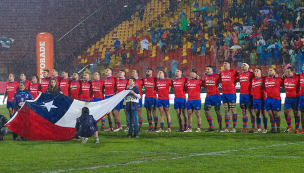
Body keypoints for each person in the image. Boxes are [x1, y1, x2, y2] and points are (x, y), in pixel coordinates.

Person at [220, 61, 239, 133]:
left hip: (232, 93)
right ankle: (227, 128)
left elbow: (240, 76)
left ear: (229, 65)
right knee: (226, 110)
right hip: (224, 94)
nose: (224, 65)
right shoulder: (221, 72)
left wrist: (235, 81)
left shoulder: (234, 71)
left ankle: (234, 128)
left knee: (233, 110)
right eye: (224, 64)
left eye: (226, 64)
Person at [203, 65, 222, 132]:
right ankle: (211, 127)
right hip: (208, 96)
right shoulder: (205, 76)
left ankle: (220, 128)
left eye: (208, 69)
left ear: (212, 70)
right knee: (206, 111)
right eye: (206, 69)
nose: (207, 70)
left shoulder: (216, 76)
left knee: (217, 111)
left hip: (216, 96)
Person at [264, 68, 283, 133]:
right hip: (268, 99)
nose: (269, 71)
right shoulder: (266, 79)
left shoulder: (279, 79)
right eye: (269, 70)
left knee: (276, 114)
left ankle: (278, 128)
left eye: (271, 70)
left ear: (275, 72)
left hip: (276, 99)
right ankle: (273, 128)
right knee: (270, 114)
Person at [283, 67, 300, 134]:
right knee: (286, 113)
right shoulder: (285, 78)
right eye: (286, 72)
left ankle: (296, 129)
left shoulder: (297, 77)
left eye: (289, 72)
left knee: (296, 114)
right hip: (287, 98)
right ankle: (290, 127)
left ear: (293, 71)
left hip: (296, 98)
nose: (287, 73)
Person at [238, 63, 255, 132]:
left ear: (248, 67)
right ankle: (244, 128)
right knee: (243, 111)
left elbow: (257, 78)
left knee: (250, 111)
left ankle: (253, 128)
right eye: (242, 66)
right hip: (242, 95)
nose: (243, 66)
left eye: (244, 66)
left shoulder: (251, 74)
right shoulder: (240, 74)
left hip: (249, 94)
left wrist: (253, 72)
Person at [251, 68, 268, 133]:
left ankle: (265, 128)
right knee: (257, 113)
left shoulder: (263, 79)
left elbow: (270, 76)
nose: (256, 72)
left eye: (257, 71)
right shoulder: (253, 80)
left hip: (262, 99)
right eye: (255, 71)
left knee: (263, 113)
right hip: (255, 99)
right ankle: (259, 128)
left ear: (261, 72)